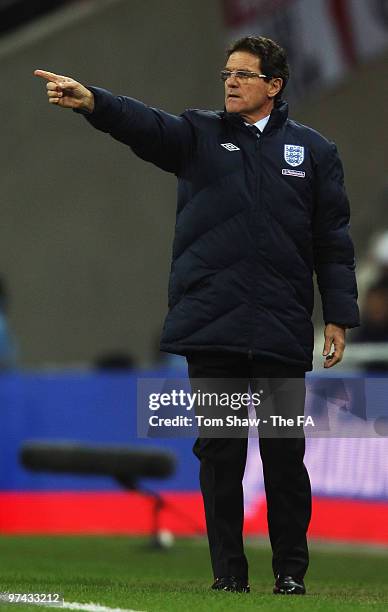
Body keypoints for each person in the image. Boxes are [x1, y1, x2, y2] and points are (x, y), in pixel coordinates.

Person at [34, 35, 359, 595]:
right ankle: (229, 576)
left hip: (281, 328)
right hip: (215, 328)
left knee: (285, 458)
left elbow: (331, 241)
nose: (230, 81)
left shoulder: (315, 153)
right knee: (221, 455)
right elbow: (144, 125)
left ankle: (290, 575)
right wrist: (94, 103)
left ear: (274, 85)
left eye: (243, 74)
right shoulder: (199, 135)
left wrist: (338, 315)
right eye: (226, 72)